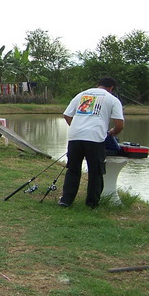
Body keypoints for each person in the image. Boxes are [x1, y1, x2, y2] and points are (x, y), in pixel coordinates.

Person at [59, 77, 124, 208]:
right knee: (95, 172)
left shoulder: (81, 95)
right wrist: (112, 133)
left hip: (75, 136)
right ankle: (91, 203)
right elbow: (120, 124)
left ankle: (66, 200)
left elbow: (67, 115)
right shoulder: (112, 99)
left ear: (97, 85)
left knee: (73, 169)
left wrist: (77, 128)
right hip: (95, 138)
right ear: (111, 88)